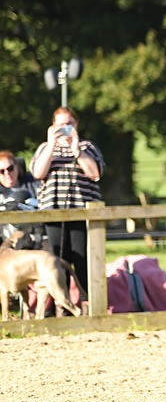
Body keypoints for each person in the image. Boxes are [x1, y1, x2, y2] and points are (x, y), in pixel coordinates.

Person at [30, 107, 104, 289]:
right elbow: (38, 173)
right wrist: (51, 145)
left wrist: (76, 149)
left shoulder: (87, 147)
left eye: (69, 124)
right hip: (53, 212)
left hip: (82, 211)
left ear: (76, 124)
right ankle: (63, 301)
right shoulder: (45, 148)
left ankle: (87, 299)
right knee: (58, 260)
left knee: (83, 259)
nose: (65, 128)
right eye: (60, 125)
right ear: (52, 126)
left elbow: (95, 174)